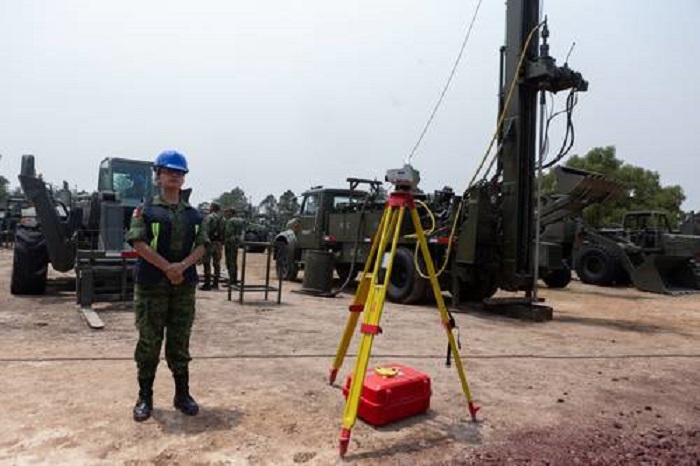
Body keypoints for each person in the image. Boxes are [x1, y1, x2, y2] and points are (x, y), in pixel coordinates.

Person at [126, 150, 207, 422]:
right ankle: (144, 397)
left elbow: (202, 246)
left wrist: (181, 267)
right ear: (158, 176)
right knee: (149, 343)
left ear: (184, 178)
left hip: (183, 286)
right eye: (169, 171)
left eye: (179, 172)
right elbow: (138, 243)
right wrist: (167, 268)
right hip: (151, 286)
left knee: (179, 342)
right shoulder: (145, 210)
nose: (174, 176)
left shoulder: (195, 215)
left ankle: (182, 395)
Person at [201, 201, 225, 290]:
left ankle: (207, 284)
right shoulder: (222, 219)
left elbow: (204, 230)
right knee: (217, 264)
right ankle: (215, 283)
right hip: (218, 244)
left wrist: (205, 241)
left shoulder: (209, 217)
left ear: (212, 208)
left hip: (210, 243)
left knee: (206, 263)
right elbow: (224, 231)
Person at [223, 207, 246, 284]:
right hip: (236, 242)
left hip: (230, 242)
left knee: (229, 261)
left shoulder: (230, 221)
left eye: (227, 212)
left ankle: (232, 279)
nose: (226, 214)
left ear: (231, 213)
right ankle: (234, 278)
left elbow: (227, 232)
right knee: (234, 261)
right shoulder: (240, 220)